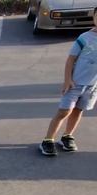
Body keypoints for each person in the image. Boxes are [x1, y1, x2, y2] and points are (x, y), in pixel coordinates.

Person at [40, 13, 97, 156]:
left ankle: (67, 136)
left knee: (78, 110)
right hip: (75, 83)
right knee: (64, 111)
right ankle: (48, 140)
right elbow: (70, 60)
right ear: (94, 18)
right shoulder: (84, 38)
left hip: (92, 86)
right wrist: (67, 80)